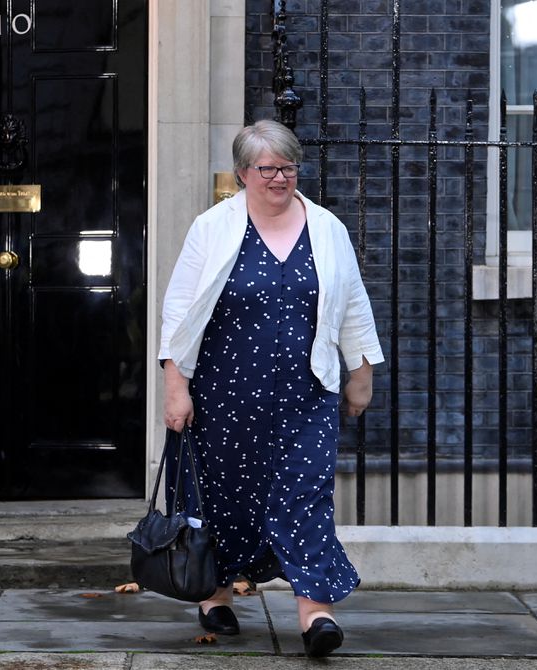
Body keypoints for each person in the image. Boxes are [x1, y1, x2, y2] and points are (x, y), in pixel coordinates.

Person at [158, 119, 383, 658]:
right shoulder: (211, 227)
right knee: (221, 494)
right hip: (224, 393)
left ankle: (315, 612)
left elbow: (352, 303)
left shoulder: (327, 228)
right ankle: (215, 595)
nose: (280, 178)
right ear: (242, 174)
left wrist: (361, 375)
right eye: (268, 169)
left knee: (306, 495)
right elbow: (179, 313)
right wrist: (175, 387)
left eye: (288, 167)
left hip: (307, 395)